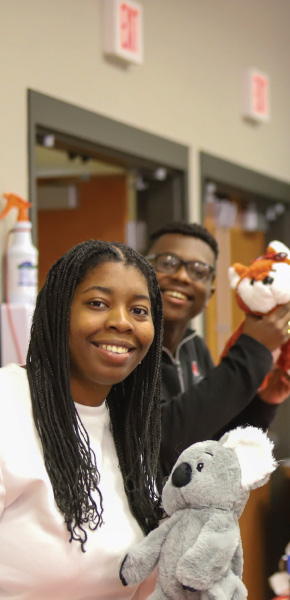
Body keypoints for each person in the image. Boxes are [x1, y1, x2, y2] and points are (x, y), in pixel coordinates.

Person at [0, 240, 163, 599]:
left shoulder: (129, 434)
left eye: (139, 310)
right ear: (58, 311)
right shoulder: (7, 406)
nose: (121, 322)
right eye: (97, 303)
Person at [146, 222, 290, 474]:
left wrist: (264, 403)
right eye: (168, 262)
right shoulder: (129, 347)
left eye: (198, 270)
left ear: (210, 292)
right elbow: (161, 441)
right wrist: (252, 351)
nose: (182, 276)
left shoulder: (193, 346)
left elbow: (215, 443)